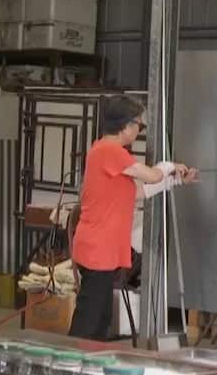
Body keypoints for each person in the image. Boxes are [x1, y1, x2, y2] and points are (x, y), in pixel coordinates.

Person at [68, 95, 198, 340]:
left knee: (100, 318)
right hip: (97, 249)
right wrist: (168, 165)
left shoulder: (110, 154)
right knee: (90, 320)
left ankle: (87, 366)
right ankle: (70, 365)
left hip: (103, 250)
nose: (139, 130)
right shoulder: (109, 150)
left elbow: (138, 191)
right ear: (126, 125)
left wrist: (176, 181)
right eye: (140, 124)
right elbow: (150, 176)